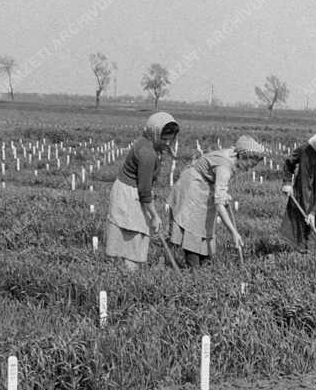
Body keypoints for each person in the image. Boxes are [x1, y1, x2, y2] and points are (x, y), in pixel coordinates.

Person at [166, 135, 266, 268]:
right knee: (193, 226)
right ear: (244, 156)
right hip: (191, 186)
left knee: (205, 225)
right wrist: (234, 233)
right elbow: (219, 204)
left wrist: (223, 194)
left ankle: (203, 264)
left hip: (204, 185)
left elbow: (218, 182)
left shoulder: (234, 156)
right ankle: (193, 268)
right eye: (250, 164)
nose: (250, 168)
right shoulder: (225, 166)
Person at [105, 111, 180, 271]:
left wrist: (165, 148)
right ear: (155, 132)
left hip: (127, 190)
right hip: (130, 195)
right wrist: (155, 216)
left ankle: (125, 274)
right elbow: (144, 192)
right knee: (135, 237)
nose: (168, 143)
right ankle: (128, 277)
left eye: (170, 139)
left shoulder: (146, 140)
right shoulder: (147, 154)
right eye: (164, 139)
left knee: (133, 239)